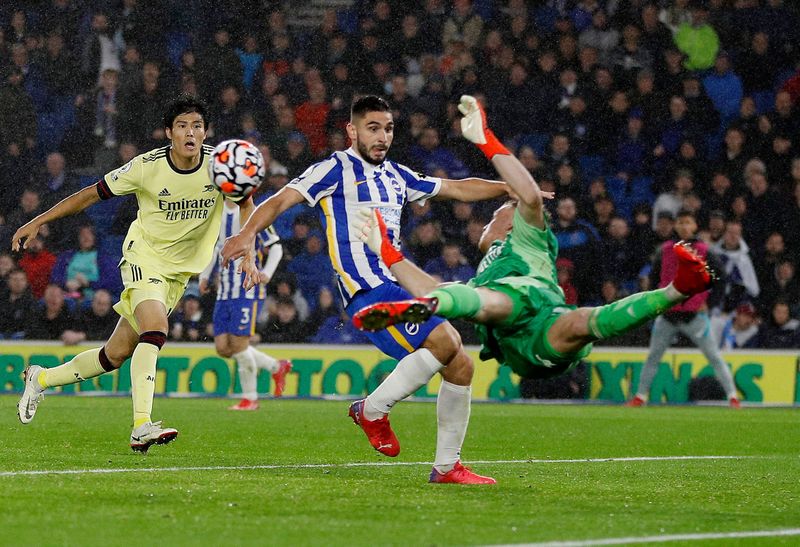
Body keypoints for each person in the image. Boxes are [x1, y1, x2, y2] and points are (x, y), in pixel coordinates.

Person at [350, 96, 716, 412]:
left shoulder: (529, 238)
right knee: (475, 297)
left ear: (514, 223)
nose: (491, 218)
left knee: (577, 321)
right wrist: (388, 252)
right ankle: (431, 306)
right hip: (508, 329)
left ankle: (677, 290)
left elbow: (528, 193)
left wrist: (485, 140)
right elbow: (429, 284)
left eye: (498, 213)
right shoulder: (488, 265)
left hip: (543, 325)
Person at [222, 95, 509, 485]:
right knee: (446, 340)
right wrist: (247, 233)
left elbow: (456, 188)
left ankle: (446, 467)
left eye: (388, 128)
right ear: (353, 131)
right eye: (373, 128)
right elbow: (282, 200)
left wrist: (510, 187)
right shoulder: (333, 169)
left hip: (397, 283)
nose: (382, 137)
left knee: (461, 365)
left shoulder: (397, 176)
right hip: (367, 290)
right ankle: (372, 410)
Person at [13, 94, 256, 452]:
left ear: (206, 132)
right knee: (156, 328)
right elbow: (90, 195)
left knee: (115, 354)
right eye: (183, 126)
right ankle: (141, 425)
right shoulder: (146, 167)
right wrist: (40, 220)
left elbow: (247, 202)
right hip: (144, 257)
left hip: (177, 275)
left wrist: (247, 244)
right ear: (169, 132)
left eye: (198, 126)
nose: (191, 133)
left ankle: (41, 377)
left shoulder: (220, 166)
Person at [627, 209, 740, 408]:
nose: (684, 226)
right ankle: (640, 396)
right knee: (654, 356)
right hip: (669, 314)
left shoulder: (704, 251)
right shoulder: (665, 250)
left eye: (688, 222)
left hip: (694, 314)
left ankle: (732, 396)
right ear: (676, 225)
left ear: (695, 225)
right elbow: (655, 280)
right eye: (681, 223)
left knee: (713, 356)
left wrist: (711, 304)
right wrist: (657, 304)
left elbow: (721, 279)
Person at [199, 199, 292, 412]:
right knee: (223, 348)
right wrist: (205, 275)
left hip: (246, 288)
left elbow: (275, 247)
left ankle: (250, 399)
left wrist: (266, 273)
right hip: (224, 290)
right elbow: (216, 248)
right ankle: (276, 367)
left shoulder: (255, 213)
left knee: (239, 346)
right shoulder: (217, 212)